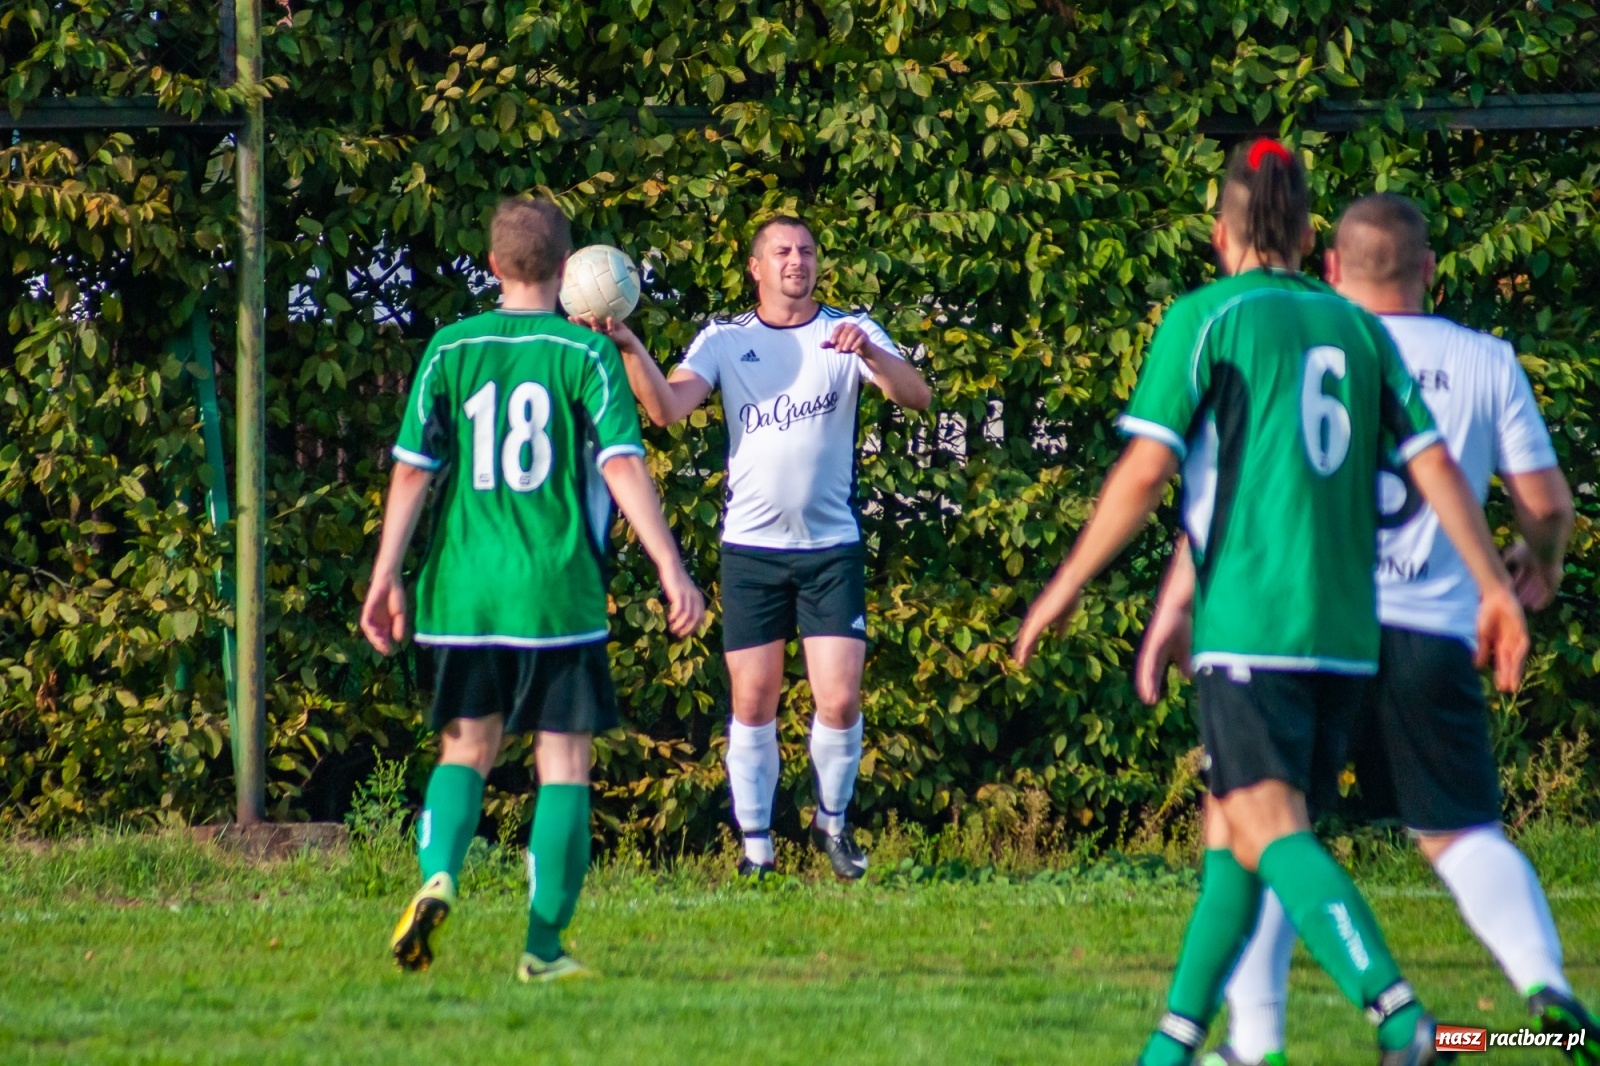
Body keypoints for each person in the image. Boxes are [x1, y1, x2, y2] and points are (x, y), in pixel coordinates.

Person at [1013, 141, 1529, 1066]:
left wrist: (1064, 587)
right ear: (1306, 236)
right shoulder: (1356, 328)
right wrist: (1496, 585)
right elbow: (1435, 465)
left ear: (1222, 234)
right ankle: (1172, 1050)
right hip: (1344, 632)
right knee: (1233, 837)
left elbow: (1145, 471)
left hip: (1252, 618)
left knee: (1268, 828)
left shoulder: (1209, 317)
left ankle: (1404, 1021)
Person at [1134, 194, 1597, 1066]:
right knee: (1458, 832)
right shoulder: (1482, 358)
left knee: (1269, 827)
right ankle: (1545, 989)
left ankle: (1258, 1042)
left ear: (1333, 267)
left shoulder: (1306, 338)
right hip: (1431, 630)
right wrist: (1534, 564)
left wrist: (1179, 603)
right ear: (1428, 269)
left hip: (1308, 626)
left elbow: (1237, 499)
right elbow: (1546, 504)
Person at [361, 198, 705, 982]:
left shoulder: (449, 348)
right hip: (555, 590)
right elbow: (622, 465)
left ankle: (441, 871)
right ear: (568, 269)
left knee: (465, 750)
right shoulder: (583, 356)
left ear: (492, 267)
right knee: (564, 764)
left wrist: (386, 577)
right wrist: (670, 566)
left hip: (461, 590)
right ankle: (542, 949)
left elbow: (412, 471)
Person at [577, 214, 931, 880]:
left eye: (805, 250)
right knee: (753, 700)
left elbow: (917, 397)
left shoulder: (849, 331)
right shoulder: (724, 337)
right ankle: (757, 851)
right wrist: (627, 344)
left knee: (840, 699)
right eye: (781, 252)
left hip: (831, 548)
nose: (796, 261)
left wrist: (873, 356)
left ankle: (832, 824)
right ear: (756, 268)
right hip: (751, 550)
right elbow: (666, 410)